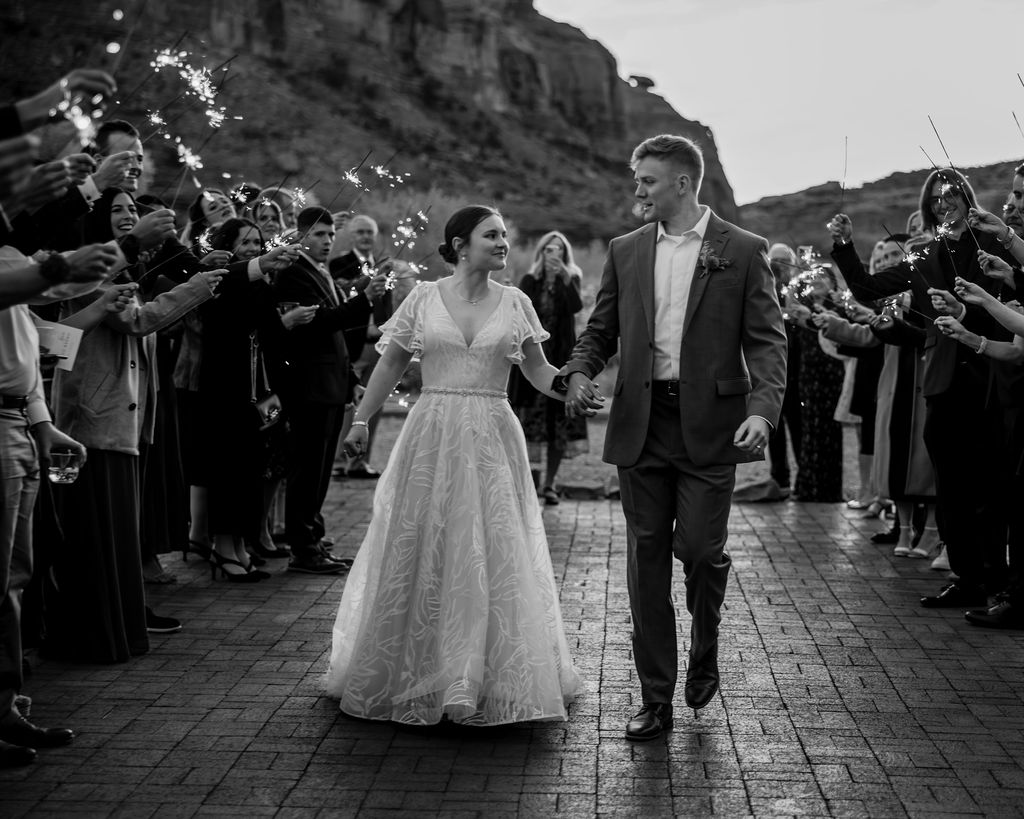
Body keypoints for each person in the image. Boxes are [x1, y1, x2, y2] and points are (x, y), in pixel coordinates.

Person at [562, 135, 787, 738]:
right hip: (641, 425)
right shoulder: (626, 249)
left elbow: (767, 342)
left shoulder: (742, 250)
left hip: (711, 430)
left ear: (683, 183)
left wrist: (762, 412)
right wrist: (580, 370)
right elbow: (600, 328)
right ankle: (655, 697)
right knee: (646, 562)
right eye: (637, 180)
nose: (637, 190)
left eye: (647, 181)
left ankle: (705, 648)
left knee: (701, 551)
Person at [325, 205, 583, 725]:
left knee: (490, 544)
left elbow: (536, 370)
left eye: (506, 235)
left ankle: (475, 675)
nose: (503, 243)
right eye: (492, 235)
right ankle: (418, 667)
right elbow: (392, 362)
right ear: (460, 244)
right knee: (425, 539)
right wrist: (360, 420)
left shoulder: (516, 301)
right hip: (433, 431)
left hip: (492, 431)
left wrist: (570, 385)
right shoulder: (422, 297)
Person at [273, 207, 385, 574]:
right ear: (301, 235)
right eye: (319, 235)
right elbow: (319, 325)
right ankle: (303, 549)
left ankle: (313, 538)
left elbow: (335, 337)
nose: (326, 241)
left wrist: (352, 381)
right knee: (306, 470)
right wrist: (365, 299)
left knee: (320, 471)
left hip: (331, 385)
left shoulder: (322, 273)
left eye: (329, 235)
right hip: (307, 388)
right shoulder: (293, 273)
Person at [509, 230, 588, 504]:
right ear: (541, 252)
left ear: (565, 255)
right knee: (531, 424)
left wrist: (566, 279)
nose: (554, 255)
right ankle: (531, 484)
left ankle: (550, 485)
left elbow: (576, 308)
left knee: (558, 426)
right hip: (533, 360)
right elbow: (519, 315)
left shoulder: (572, 278)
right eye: (549, 250)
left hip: (561, 359)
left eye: (559, 250)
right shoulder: (531, 280)